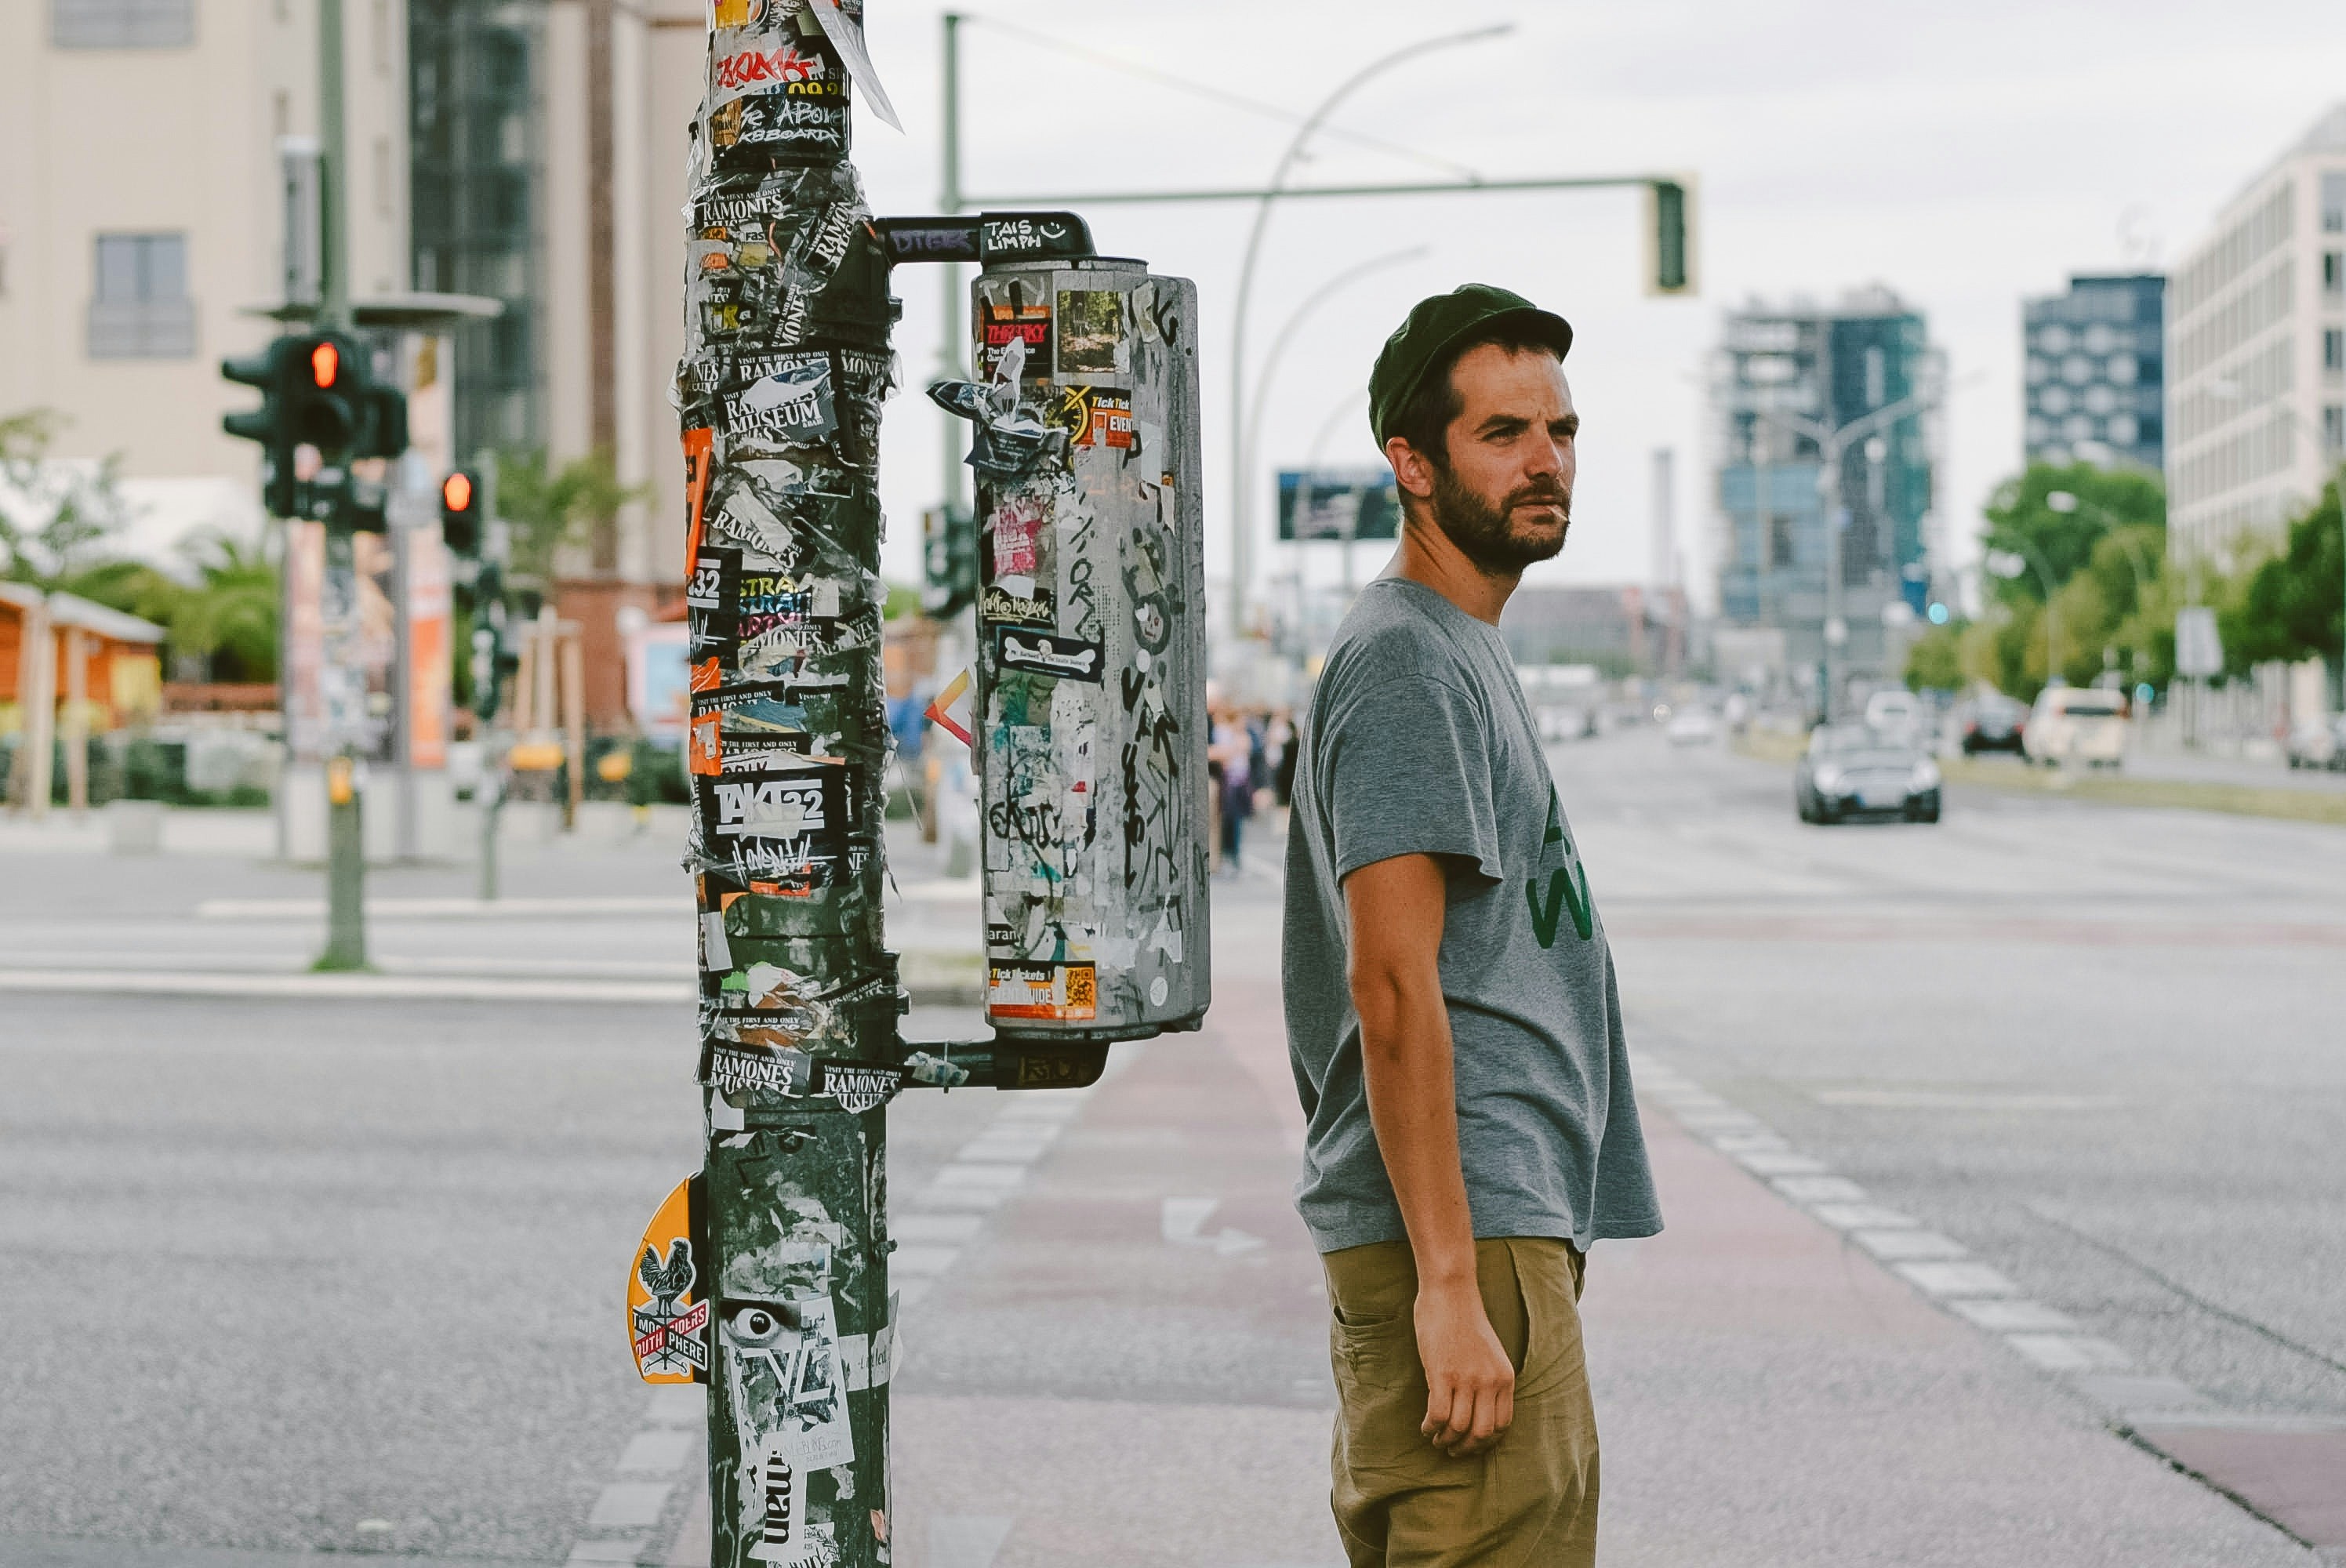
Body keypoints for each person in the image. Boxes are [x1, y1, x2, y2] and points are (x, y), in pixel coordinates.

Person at [1283, 284, 1661, 1567]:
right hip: (1467, 1230)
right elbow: (1391, 989)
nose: (1546, 459)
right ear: (1413, 461)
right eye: (1503, 433)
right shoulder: (1406, 663)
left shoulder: (1459, 645)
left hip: (1494, 1222)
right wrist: (1452, 1283)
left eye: (1560, 429)